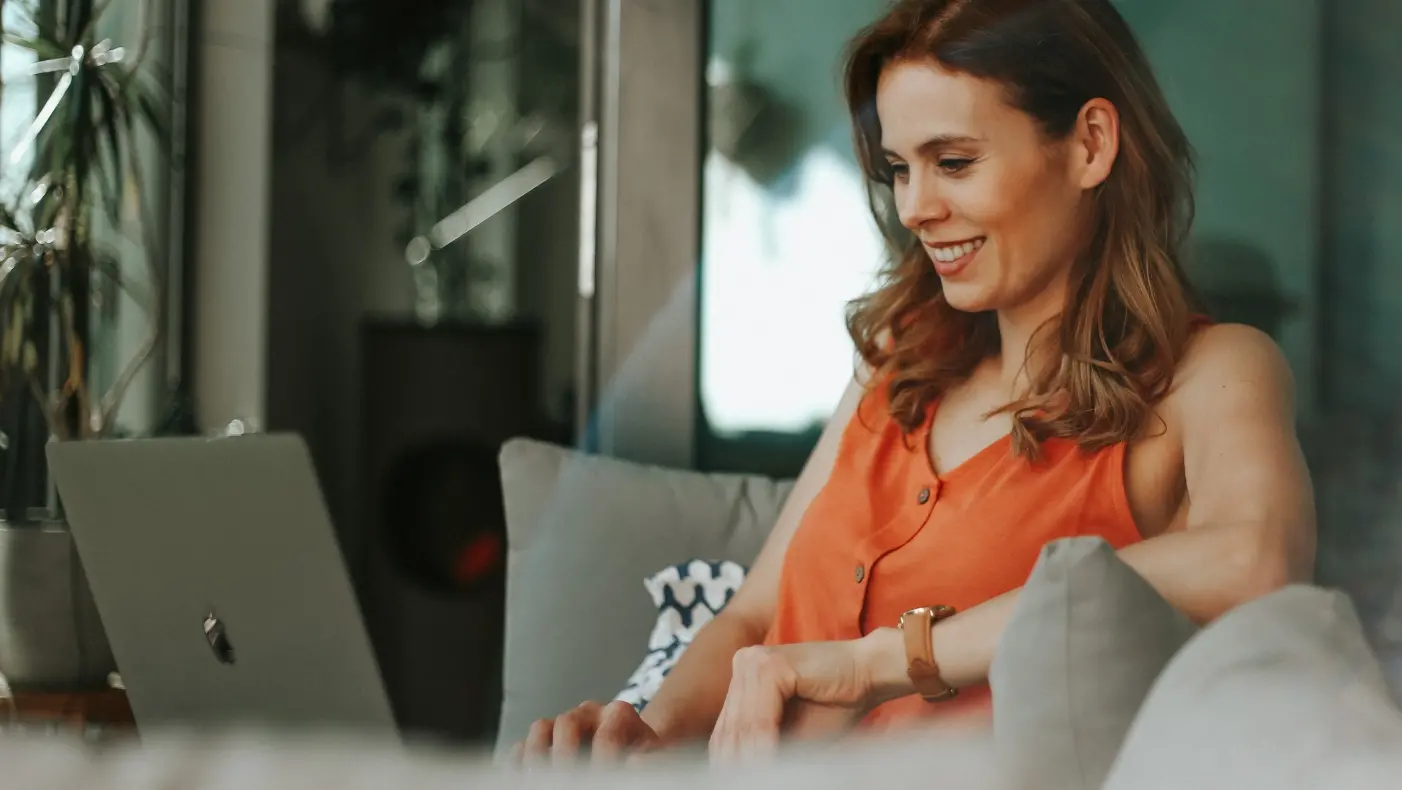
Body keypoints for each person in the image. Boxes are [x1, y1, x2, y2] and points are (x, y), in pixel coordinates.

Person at [517, 0, 1316, 765]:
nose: (916, 207)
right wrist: (647, 736)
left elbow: (1256, 562)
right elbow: (758, 614)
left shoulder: (1209, 375)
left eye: (955, 162)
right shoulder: (899, 357)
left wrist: (881, 662)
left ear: (1090, 145)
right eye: (899, 169)